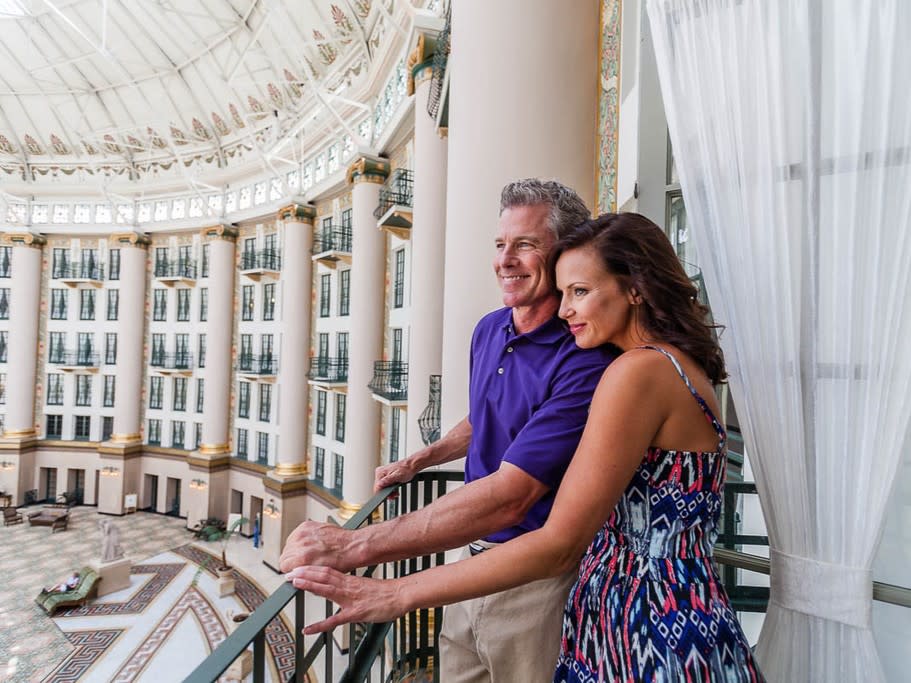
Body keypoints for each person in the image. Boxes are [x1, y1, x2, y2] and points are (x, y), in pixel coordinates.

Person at [286, 213, 765, 682]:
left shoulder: (637, 373)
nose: (565, 309)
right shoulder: (672, 366)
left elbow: (558, 544)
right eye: (565, 292)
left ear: (635, 288)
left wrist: (392, 594)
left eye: (580, 291)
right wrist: (427, 457)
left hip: (644, 622)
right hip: (679, 606)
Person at [280, 179, 616, 682]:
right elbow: (487, 416)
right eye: (501, 244)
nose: (506, 259)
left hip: (534, 577)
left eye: (525, 244)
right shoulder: (490, 328)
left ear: (565, 253)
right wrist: (421, 459)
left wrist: (353, 546)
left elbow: (512, 497)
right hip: (468, 560)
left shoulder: (585, 357)